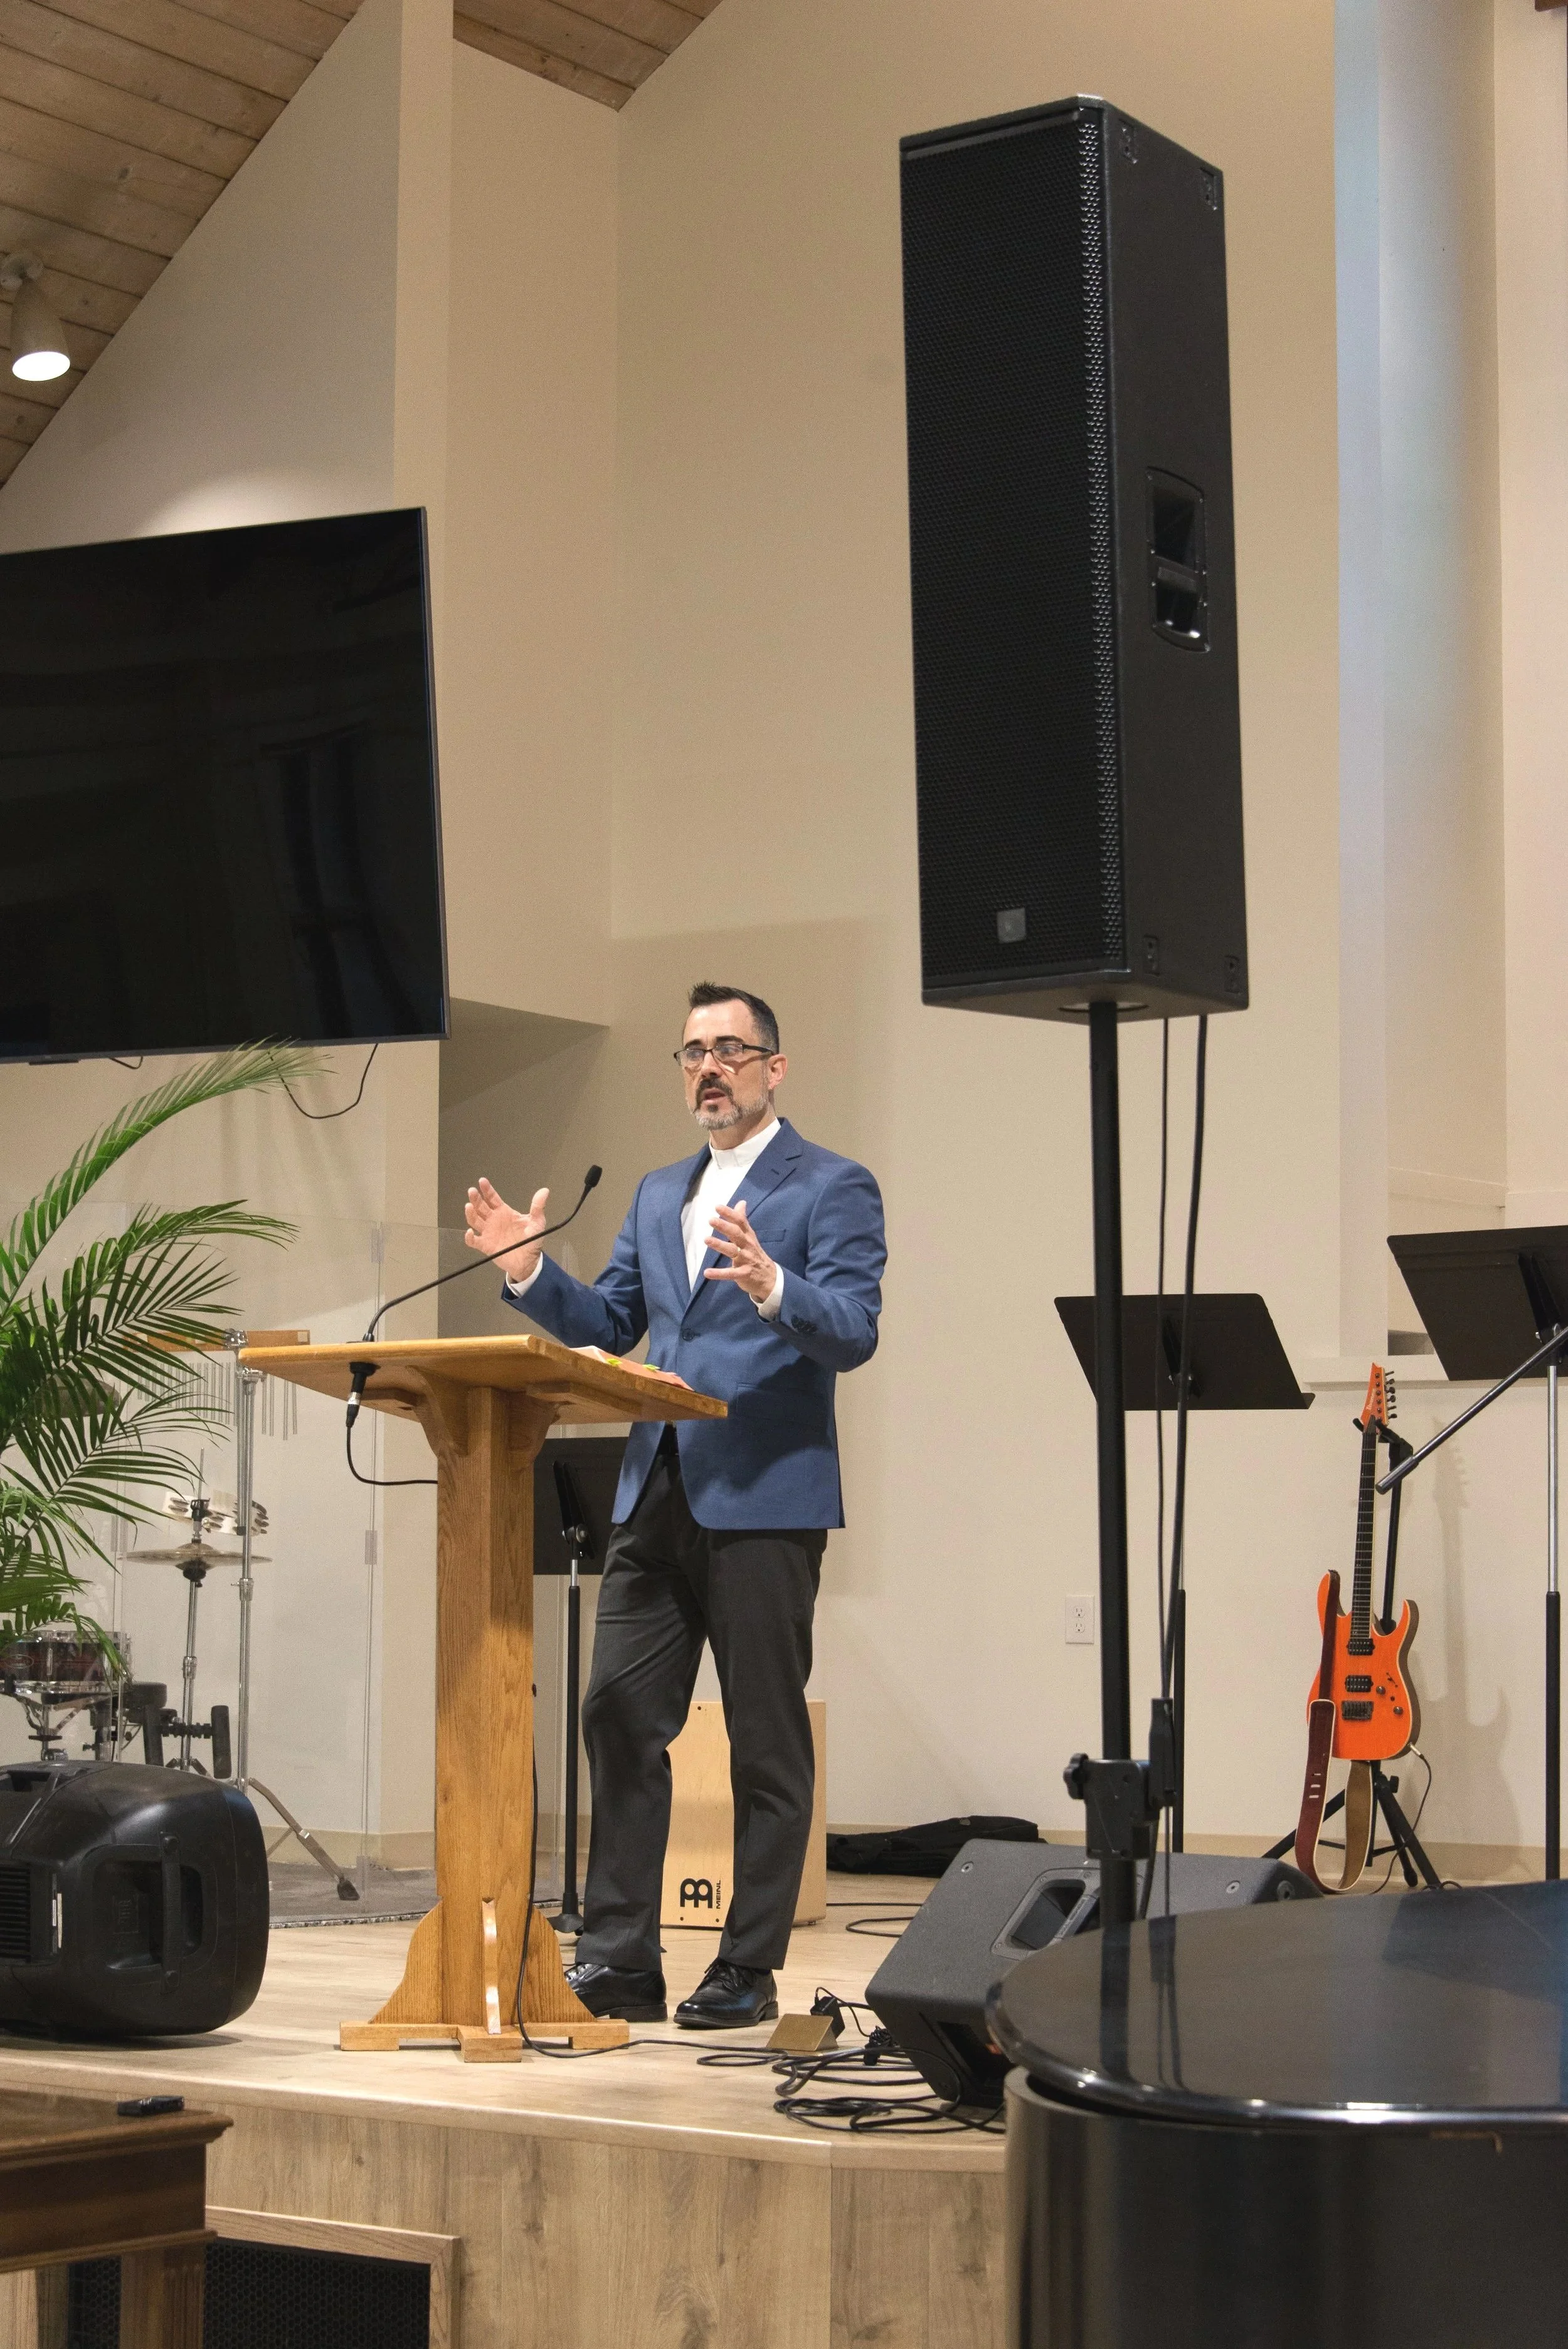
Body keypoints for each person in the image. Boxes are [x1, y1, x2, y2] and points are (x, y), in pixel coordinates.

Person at [464, 984, 886, 2028]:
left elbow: (855, 1328)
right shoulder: (659, 1194)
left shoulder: (832, 1185)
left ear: (774, 1068)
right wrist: (529, 1272)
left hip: (763, 1493)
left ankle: (746, 1967)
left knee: (765, 1739)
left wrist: (774, 1286)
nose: (710, 1067)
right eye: (694, 1051)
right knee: (616, 1715)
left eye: (731, 1050)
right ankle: (620, 1958)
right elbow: (610, 1321)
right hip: (654, 1490)